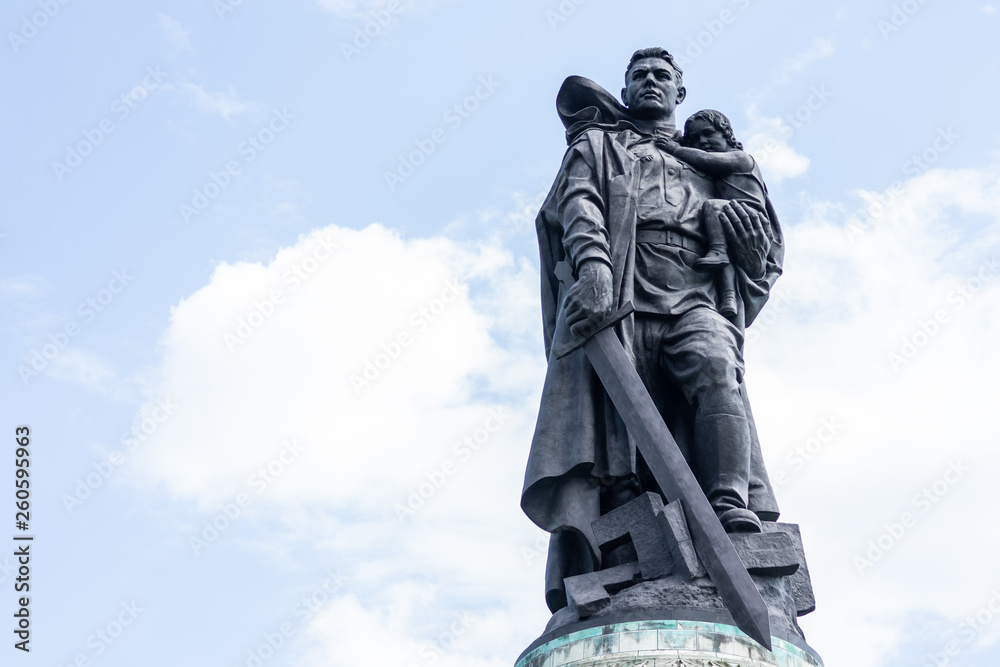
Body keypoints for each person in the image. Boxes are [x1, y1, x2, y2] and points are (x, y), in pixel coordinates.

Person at [521, 48, 785, 617]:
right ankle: (627, 555)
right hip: (622, 293)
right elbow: (579, 204)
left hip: (695, 288)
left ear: (678, 92)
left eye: (661, 76)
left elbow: (762, 250)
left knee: (717, 370)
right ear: (627, 87)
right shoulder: (599, 146)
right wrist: (592, 265)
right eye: (638, 75)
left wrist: (748, 242)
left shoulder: (713, 159)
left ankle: (728, 501)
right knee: (621, 435)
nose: (649, 82)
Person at [655, 109, 772, 319]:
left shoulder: (742, 159)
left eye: (709, 134)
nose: (703, 141)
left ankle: (718, 249)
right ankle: (728, 298)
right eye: (695, 138)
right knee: (724, 261)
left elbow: (706, 160)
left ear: (727, 134)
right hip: (730, 216)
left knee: (712, 207)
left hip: (746, 214)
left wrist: (675, 149)